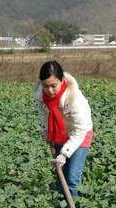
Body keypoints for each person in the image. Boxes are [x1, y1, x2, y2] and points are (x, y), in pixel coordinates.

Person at [33, 60, 93, 198]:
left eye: (54, 86)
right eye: (45, 86)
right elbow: (44, 113)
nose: (49, 90)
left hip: (80, 134)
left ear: (62, 80)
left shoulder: (74, 99)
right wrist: (46, 130)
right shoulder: (41, 96)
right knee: (61, 175)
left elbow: (80, 131)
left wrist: (64, 154)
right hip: (59, 132)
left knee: (71, 177)